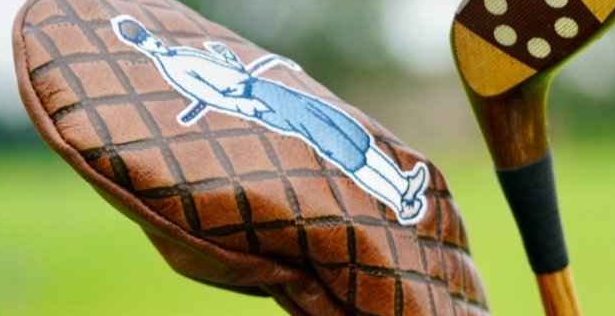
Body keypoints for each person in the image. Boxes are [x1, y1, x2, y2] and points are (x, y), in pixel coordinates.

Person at [111, 16, 428, 223]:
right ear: (139, 44)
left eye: (146, 35)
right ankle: (399, 200)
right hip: (257, 101)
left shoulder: (182, 54)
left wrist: (227, 58)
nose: (149, 40)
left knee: (345, 130)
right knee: (338, 148)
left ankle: (402, 183)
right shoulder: (174, 69)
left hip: (264, 88)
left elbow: (232, 76)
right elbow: (217, 97)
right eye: (141, 39)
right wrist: (251, 108)